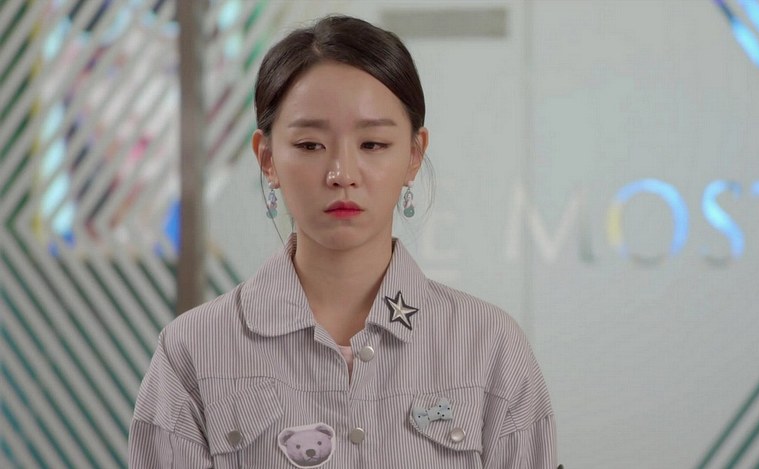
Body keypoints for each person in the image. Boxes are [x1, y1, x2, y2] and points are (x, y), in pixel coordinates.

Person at [128, 15, 557, 468]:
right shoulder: (192, 351)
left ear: (414, 155)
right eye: (310, 145)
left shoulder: (490, 348)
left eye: (372, 144)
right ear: (267, 158)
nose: (342, 174)